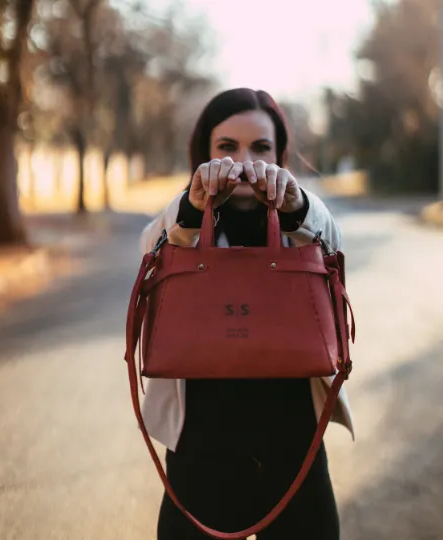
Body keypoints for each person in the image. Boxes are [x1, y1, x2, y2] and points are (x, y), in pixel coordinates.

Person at [139, 88, 354, 540]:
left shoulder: (303, 217)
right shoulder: (181, 217)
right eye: (226, 147)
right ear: (204, 153)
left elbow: (333, 250)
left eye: (260, 148)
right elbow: (151, 255)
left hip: (296, 454)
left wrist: (296, 207)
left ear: (280, 155)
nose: (242, 160)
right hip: (199, 458)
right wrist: (193, 209)